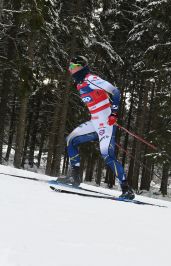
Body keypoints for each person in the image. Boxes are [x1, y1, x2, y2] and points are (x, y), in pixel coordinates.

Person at [56, 56, 134, 200]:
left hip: (106, 123)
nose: (71, 71)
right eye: (70, 68)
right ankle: (75, 177)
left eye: (74, 67)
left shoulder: (91, 78)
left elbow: (115, 91)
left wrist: (114, 114)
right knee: (71, 140)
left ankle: (126, 189)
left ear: (81, 67)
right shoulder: (79, 84)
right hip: (95, 122)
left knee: (107, 156)